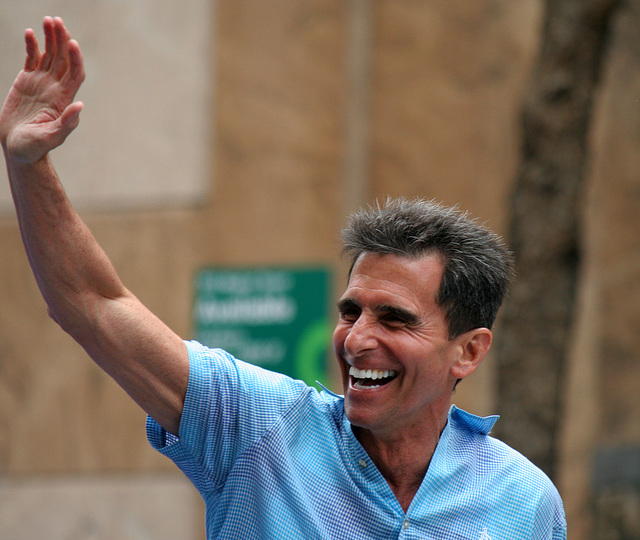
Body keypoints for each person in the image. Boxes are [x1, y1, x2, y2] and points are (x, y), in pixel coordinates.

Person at [1, 17, 566, 539]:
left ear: (468, 352)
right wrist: (29, 167)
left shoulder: (523, 501)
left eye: (395, 318)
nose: (358, 338)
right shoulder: (258, 427)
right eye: (351, 311)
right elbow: (95, 305)